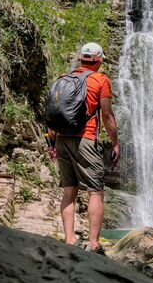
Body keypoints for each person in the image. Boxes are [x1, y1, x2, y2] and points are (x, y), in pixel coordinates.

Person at [48, 42, 120, 254]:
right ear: (99, 61)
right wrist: (115, 142)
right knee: (95, 191)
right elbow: (107, 115)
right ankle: (94, 243)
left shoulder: (63, 79)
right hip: (86, 139)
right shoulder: (100, 80)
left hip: (61, 139)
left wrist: (52, 143)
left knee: (69, 191)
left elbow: (54, 113)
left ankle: (70, 240)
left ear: (81, 60)